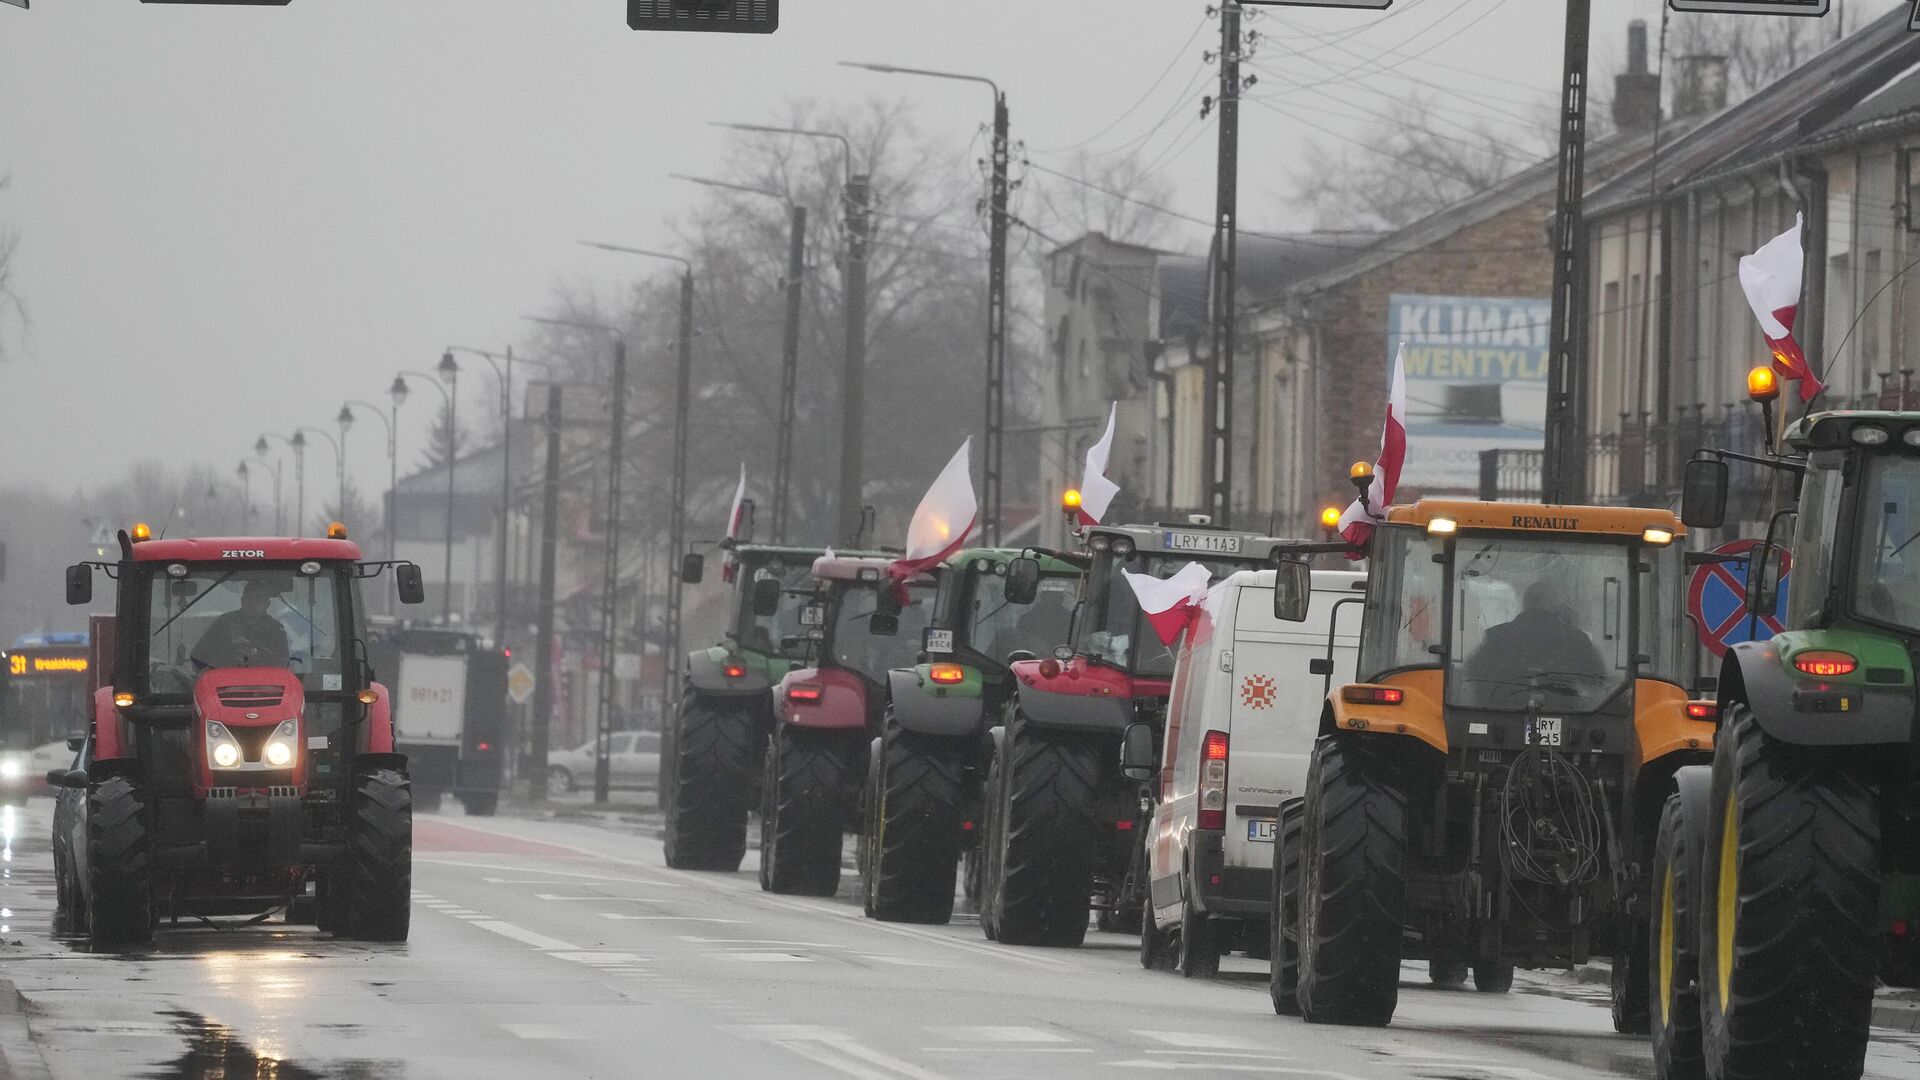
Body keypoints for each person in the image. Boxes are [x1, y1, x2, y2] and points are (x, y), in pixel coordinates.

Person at [1463, 580, 1604, 686]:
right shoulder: (1577, 640)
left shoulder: (1495, 636)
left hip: (1504, 712)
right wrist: (1572, 629)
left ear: (1524, 605)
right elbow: (1597, 684)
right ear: (1553, 605)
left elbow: (1472, 677)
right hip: (1569, 715)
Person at [192, 577, 292, 670]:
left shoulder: (275, 628)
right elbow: (199, 656)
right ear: (242, 600)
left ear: (267, 604)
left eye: (258, 599)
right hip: (226, 678)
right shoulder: (224, 623)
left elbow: (282, 663)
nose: (252, 603)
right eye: (248, 598)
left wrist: (257, 655)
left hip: (264, 680)